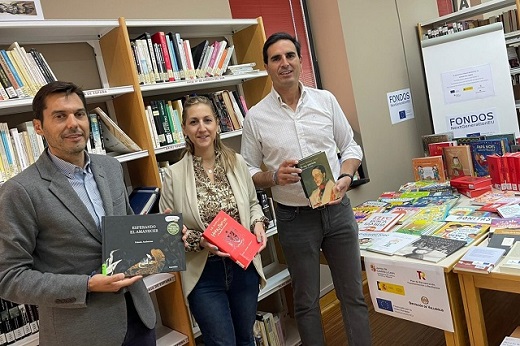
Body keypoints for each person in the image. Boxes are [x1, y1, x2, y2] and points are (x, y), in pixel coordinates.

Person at [0, 81, 156, 346]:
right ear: (38, 127)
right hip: (81, 333)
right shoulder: (20, 191)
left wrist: (163, 235)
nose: (73, 123)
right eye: (60, 116)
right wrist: (86, 285)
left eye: (79, 114)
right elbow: (9, 278)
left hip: (139, 318)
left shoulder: (111, 167)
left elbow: (128, 233)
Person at [241, 32, 371, 345]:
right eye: (276, 58)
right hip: (294, 218)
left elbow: (350, 146)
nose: (284, 63)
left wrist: (346, 176)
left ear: (300, 61)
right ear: (267, 67)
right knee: (306, 301)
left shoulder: (325, 101)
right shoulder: (256, 117)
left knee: (353, 294)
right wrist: (273, 177)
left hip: (336, 210)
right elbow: (248, 170)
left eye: (290, 56)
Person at [159, 95, 268, 346]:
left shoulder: (237, 162)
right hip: (204, 274)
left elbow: (252, 204)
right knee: (221, 342)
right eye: (194, 122)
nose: (202, 128)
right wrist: (201, 241)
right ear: (185, 128)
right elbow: (168, 232)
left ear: (217, 124)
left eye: (207, 120)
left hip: (243, 266)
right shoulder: (173, 175)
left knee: (245, 339)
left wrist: (258, 224)